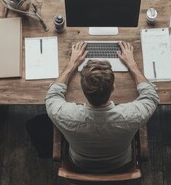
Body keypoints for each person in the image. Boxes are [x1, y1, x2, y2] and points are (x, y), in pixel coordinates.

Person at [45, 41, 159, 173]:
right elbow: (151, 96)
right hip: (120, 163)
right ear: (113, 88)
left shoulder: (63, 115)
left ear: (83, 91)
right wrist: (132, 64)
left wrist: (72, 64)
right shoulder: (133, 116)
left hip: (80, 163)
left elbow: (52, 95)